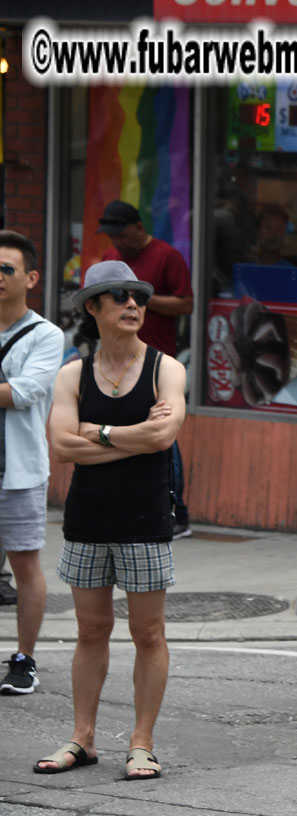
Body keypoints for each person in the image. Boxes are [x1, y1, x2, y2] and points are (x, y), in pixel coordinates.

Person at [40, 260, 186, 780]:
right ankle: (82, 738)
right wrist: (129, 437)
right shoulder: (72, 373)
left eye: (139, 298)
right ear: (93, 307)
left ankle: (142, 743)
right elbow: (59, 446)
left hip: (145, 518)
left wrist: (95, 433)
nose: (133, 305)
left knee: (148, 633)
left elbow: (163, 439)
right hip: (88, 519)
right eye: (120, 296)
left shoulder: (165, 369)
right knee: (91, 629)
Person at [98, 200, 194, 540]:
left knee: (164, 434)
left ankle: (176, 510)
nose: (117, 243)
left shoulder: (165, 255)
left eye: (121, 235)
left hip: (157, 361)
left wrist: (138, 297)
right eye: (111, 236)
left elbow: (186, 303)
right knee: (120, 429)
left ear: (138, 227)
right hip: (114, 360)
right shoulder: (110, 259)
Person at [0, 230, 65, 696]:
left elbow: (22, 393)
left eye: (6, 269)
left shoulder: (46, 335)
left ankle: (24, 659)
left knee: (25, 566)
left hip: (17, 472)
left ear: (31, 277)